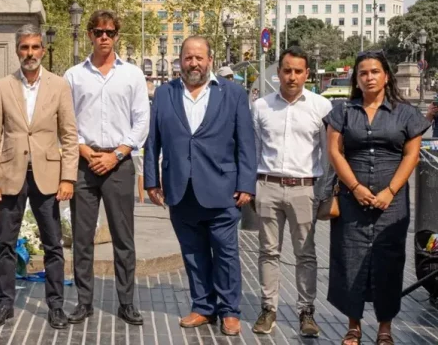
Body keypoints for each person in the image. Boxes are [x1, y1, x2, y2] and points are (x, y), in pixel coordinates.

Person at [144, 36, 256, 336]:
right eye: (188, 58)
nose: (193, 63)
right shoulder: (165, 93)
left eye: (199, 58)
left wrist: (247, 184)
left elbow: (246, 142)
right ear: (180, 61)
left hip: (223, 189)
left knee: (226, 253)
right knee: (193, 253)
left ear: (210, 60)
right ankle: (203, 307)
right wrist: (151, 180)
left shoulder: (233, 93)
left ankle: (229, 311)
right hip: (180, 188)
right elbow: (153, 140)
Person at [323, 50, 430, 345]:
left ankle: (385, 328)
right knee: (349, 258)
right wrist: (356, 187)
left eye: (374, 72)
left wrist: (390, 191)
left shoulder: (406, 113)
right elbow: (334, 152)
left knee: (389, 261)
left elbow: (411, 155)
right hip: (351, 200)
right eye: (363, 73)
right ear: (356, 79)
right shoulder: (343, 111)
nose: (369, 77)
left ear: (386, 76)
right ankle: (353, 326)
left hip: (391, 203)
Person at [0, 25, 78, 329]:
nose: (30, 53)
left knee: (53, 245)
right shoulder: (3, 86)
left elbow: (69, 135)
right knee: (5, 243)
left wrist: (68, 178)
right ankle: (5, 304)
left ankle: (56, 306)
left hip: (47, 177)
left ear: (43, 50)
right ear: (17, 51)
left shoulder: (59, 86)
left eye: (35, 47)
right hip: (11, 175)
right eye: (24, 47)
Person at [64, 10, 150, 326]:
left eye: (110, 32)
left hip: (119, 164)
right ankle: (84, 302)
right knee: (82, 238)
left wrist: (117, 154)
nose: (104, 37)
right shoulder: (73, 76)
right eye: (98, 31)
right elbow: (66, 121)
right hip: (84, 164)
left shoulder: (133, 75)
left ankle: (126, 302)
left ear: (117, 36)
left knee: (123, 237)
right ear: (89, 34)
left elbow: (142, 120)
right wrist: (84, 150)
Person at [251, 46, 332, 337]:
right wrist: (253, 188)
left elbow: (328, 154)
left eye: (298, 71)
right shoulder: (261, 107)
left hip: (304, 189)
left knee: (305, 254)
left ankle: (306, 312)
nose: (292, 76)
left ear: (307, 74)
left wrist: (324, 191)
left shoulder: (321, 107)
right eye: (287, 70)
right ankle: (268, 308)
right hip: (268, 185)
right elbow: (254, 150)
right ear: (279, 72)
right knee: (268, 251)